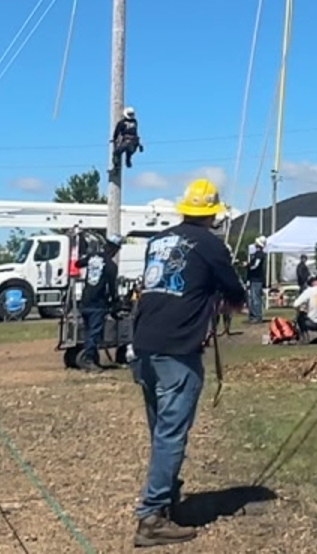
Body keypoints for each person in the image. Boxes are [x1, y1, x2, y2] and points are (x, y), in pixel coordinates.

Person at [128, 178, 248, 546]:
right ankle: (151, 515)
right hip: (178, 347)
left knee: (160, 430)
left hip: (144, 342)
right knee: (171, 433)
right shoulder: (212, 245)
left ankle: (165, 494)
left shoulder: (157, 240)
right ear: (212, 214)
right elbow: (234, 292)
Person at [78, 234, 122, 371]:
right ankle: (89, 359)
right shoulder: (111, 266)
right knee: (95, 333)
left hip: (85, 301)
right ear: (115, 249)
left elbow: (78, 264)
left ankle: (91, 357)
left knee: (88, 332)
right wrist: (116, 303)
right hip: (98, 303)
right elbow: (112, 288)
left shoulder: (92, 258)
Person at [292, 273, 317, 344]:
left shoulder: (309, 291)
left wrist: (299, 311)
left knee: (300, 317)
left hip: (313, 322)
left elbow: (295, 304)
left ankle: (305, 338)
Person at [112, 107, 143, 176]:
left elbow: (116, 133)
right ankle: (128, 160)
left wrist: (114, 140)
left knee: (116, 153)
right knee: (129, 151)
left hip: (127, 141)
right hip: (135, 142)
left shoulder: (122, 122)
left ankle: (116, 168)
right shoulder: (135, 122)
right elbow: (136, 132)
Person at [243, 238, 268, 324]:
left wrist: (247, 265)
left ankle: (257, 316)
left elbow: (255, 266)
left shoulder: (259, 255)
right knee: (252, 298)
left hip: (257, 279)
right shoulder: (256, 255)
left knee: (256, 298)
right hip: (253, 279)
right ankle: (253, 315)